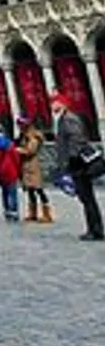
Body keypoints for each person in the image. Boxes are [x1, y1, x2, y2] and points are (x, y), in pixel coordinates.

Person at [54, 92, 104, 241]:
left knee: (87, 198)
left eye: (55, 102)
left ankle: (95, 229)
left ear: (62, 104)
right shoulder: (64, 119)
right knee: (86, 198)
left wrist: (72, 159)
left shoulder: (69, 119)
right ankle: (95, 228)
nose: (52, 105)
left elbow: (77, 139)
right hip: (76, 163)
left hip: (79, 164)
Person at [15, 116, 51, 224]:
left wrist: (18, 150)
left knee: (39, 190)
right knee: (30, 191)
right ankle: (33, 213)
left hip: (33, 166)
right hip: (26, 166)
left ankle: (47, 214)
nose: (19, 127)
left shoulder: (33, 137)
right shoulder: (23, 136)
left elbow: (31, 151)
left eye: (21, 125)